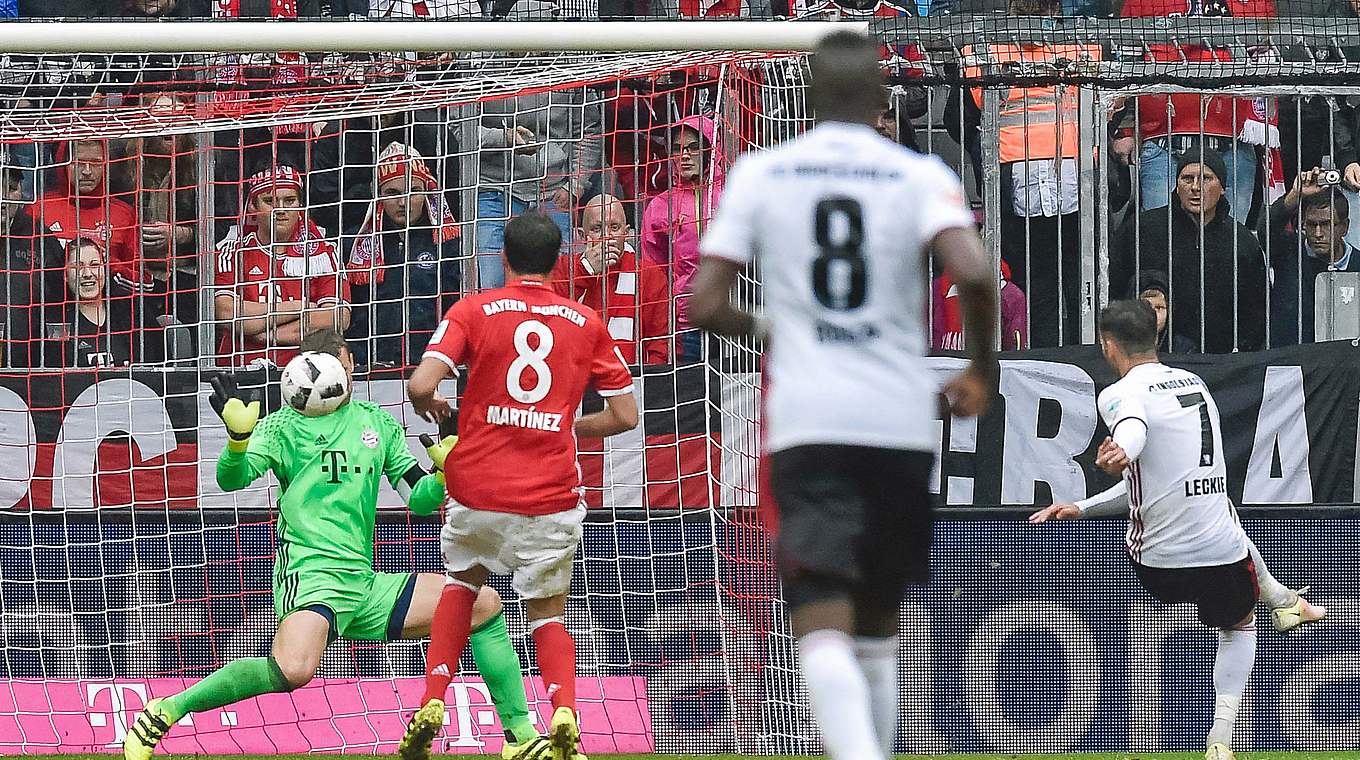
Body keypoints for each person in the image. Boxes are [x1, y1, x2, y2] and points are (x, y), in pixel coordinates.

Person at [688, 32, 998, 760]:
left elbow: (703, 303)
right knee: (878, 629)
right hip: (897, 420)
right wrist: (979, 369)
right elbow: (976, 275)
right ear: (882, 100)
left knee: (819, 619)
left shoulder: (764, 171)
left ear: (811, 97)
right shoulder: (917, 173)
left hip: (809, 418)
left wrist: (774, 325)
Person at [123, 328, 551, 760]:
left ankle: (520, 736)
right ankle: (166, 710)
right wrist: (237, 442)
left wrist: (444, 475)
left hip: (363, 584)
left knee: (483, 604)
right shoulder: (281, 426)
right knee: (293, 670)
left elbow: (417, 500)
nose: (340, 373)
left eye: (342, 365)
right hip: (311, 576)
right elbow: (230, 479)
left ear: (348, 366)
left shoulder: (376, 423)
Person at [1029, 300, 1326, 760]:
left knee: (1206, 504)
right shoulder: (1197, 384)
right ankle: (1222, 738)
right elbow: (1140, 440)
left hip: (1159, 565)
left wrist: (1112, 466)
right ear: (1157, 338)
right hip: (1221, 554)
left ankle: (1287, 603)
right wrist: (1111, 471)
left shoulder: (1119, 392)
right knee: (1236, 614)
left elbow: (1132, 428)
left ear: (1108, 346)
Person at [404, 212, 639, 760]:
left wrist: (430, 404)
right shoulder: (586, 321)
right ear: (559, 261)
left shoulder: (474, 309)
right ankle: (563, 715)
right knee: (548, 612)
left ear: (503, 258)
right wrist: (570, 424)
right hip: (548, 492)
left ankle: (432, 699)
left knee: (461, 587)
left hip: (477, 486)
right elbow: (625, 415)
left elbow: (420, 383)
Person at [1110, 144, 1268, 353]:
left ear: (1222, 188)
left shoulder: (1242, 241)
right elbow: (1115, 290)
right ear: (1176, 185)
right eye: (1187, 178)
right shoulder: (1141, 230)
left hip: (1221, 362)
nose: (1195, 187)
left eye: (1206, 178)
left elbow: (1255, 310)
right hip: (1152, 356)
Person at [213, 166, 350, 368]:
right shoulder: (231, 251)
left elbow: (337, 318)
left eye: (289, 200)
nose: (281, 209)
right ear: (252, 206)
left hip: (308, 375)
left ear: (300, 204)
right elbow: (228, 313)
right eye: (270, 201)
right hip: (241, 371)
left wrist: (267, 333)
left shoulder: (325, 253)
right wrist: (300, 307)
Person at [473, 87, 603, 289]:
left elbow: (589, 131)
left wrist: (576, 185)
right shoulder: (480, 64)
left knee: (558, 288)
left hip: (554, 193)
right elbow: (460, 126)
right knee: (493, 287)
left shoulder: (572, 63)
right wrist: (504, 137)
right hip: (494, 189)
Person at [346, 143, 460, 367]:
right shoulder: (355, 245)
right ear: (377, 195)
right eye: (392, 193)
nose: (402, 202)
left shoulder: (448, 243)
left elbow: (455, 309)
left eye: (413, 191)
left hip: (431, 366)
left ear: (427, 191)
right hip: (370, 365)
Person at [640, 115, 724, 363]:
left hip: (730, 321)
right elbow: (652, 271)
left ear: (710, 149)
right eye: (677, 149)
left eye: (693, 147)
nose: (684, 155)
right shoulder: (659, 206)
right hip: (684, 323)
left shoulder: (732, 196)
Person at [553, 194, 671, 365]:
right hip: (574, 378)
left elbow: (662, 343)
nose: (607, 237)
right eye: (597, 229)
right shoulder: (564, 268)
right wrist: (585, 270)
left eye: (614, 227)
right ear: (581, 234)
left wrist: (650, 385)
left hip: (633, 381)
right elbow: (551, 322)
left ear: (627, 232)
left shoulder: (650, 275)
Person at [1260, 169, 1360, 345]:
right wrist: (1295, 195)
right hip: (1292, 359)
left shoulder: (1357, 263)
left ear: (1344, 227)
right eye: (1312, 225)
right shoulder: (1288, 251)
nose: (1318, 233)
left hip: (1344, 364)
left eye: (1326, 224)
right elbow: (1266, 229)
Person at [28, 139, 143, 289]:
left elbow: (142, 282)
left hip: (105, 308)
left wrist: (108, 263)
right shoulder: (38, 210)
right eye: (78, 163)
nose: (87, 171)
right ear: (64, 164)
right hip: (49, 307)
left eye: (95, 163)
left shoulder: (124, 214)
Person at [35, 237, 162, 368]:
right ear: (65, 275)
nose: (87, 273)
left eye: (95, 265)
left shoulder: (132, 310)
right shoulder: (54, 320)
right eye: (77, 266)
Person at [0, 159, 63, 367]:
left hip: (29, 362)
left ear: (21, 192)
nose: (3, 198)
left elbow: (60, 296)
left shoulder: (40, 236)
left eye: (10, 188)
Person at [1130, 269, 1198, 354]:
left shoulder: (1183, 348)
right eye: (1146, 307)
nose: (1153, 314)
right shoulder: (1119, 347)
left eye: (1159, 307)